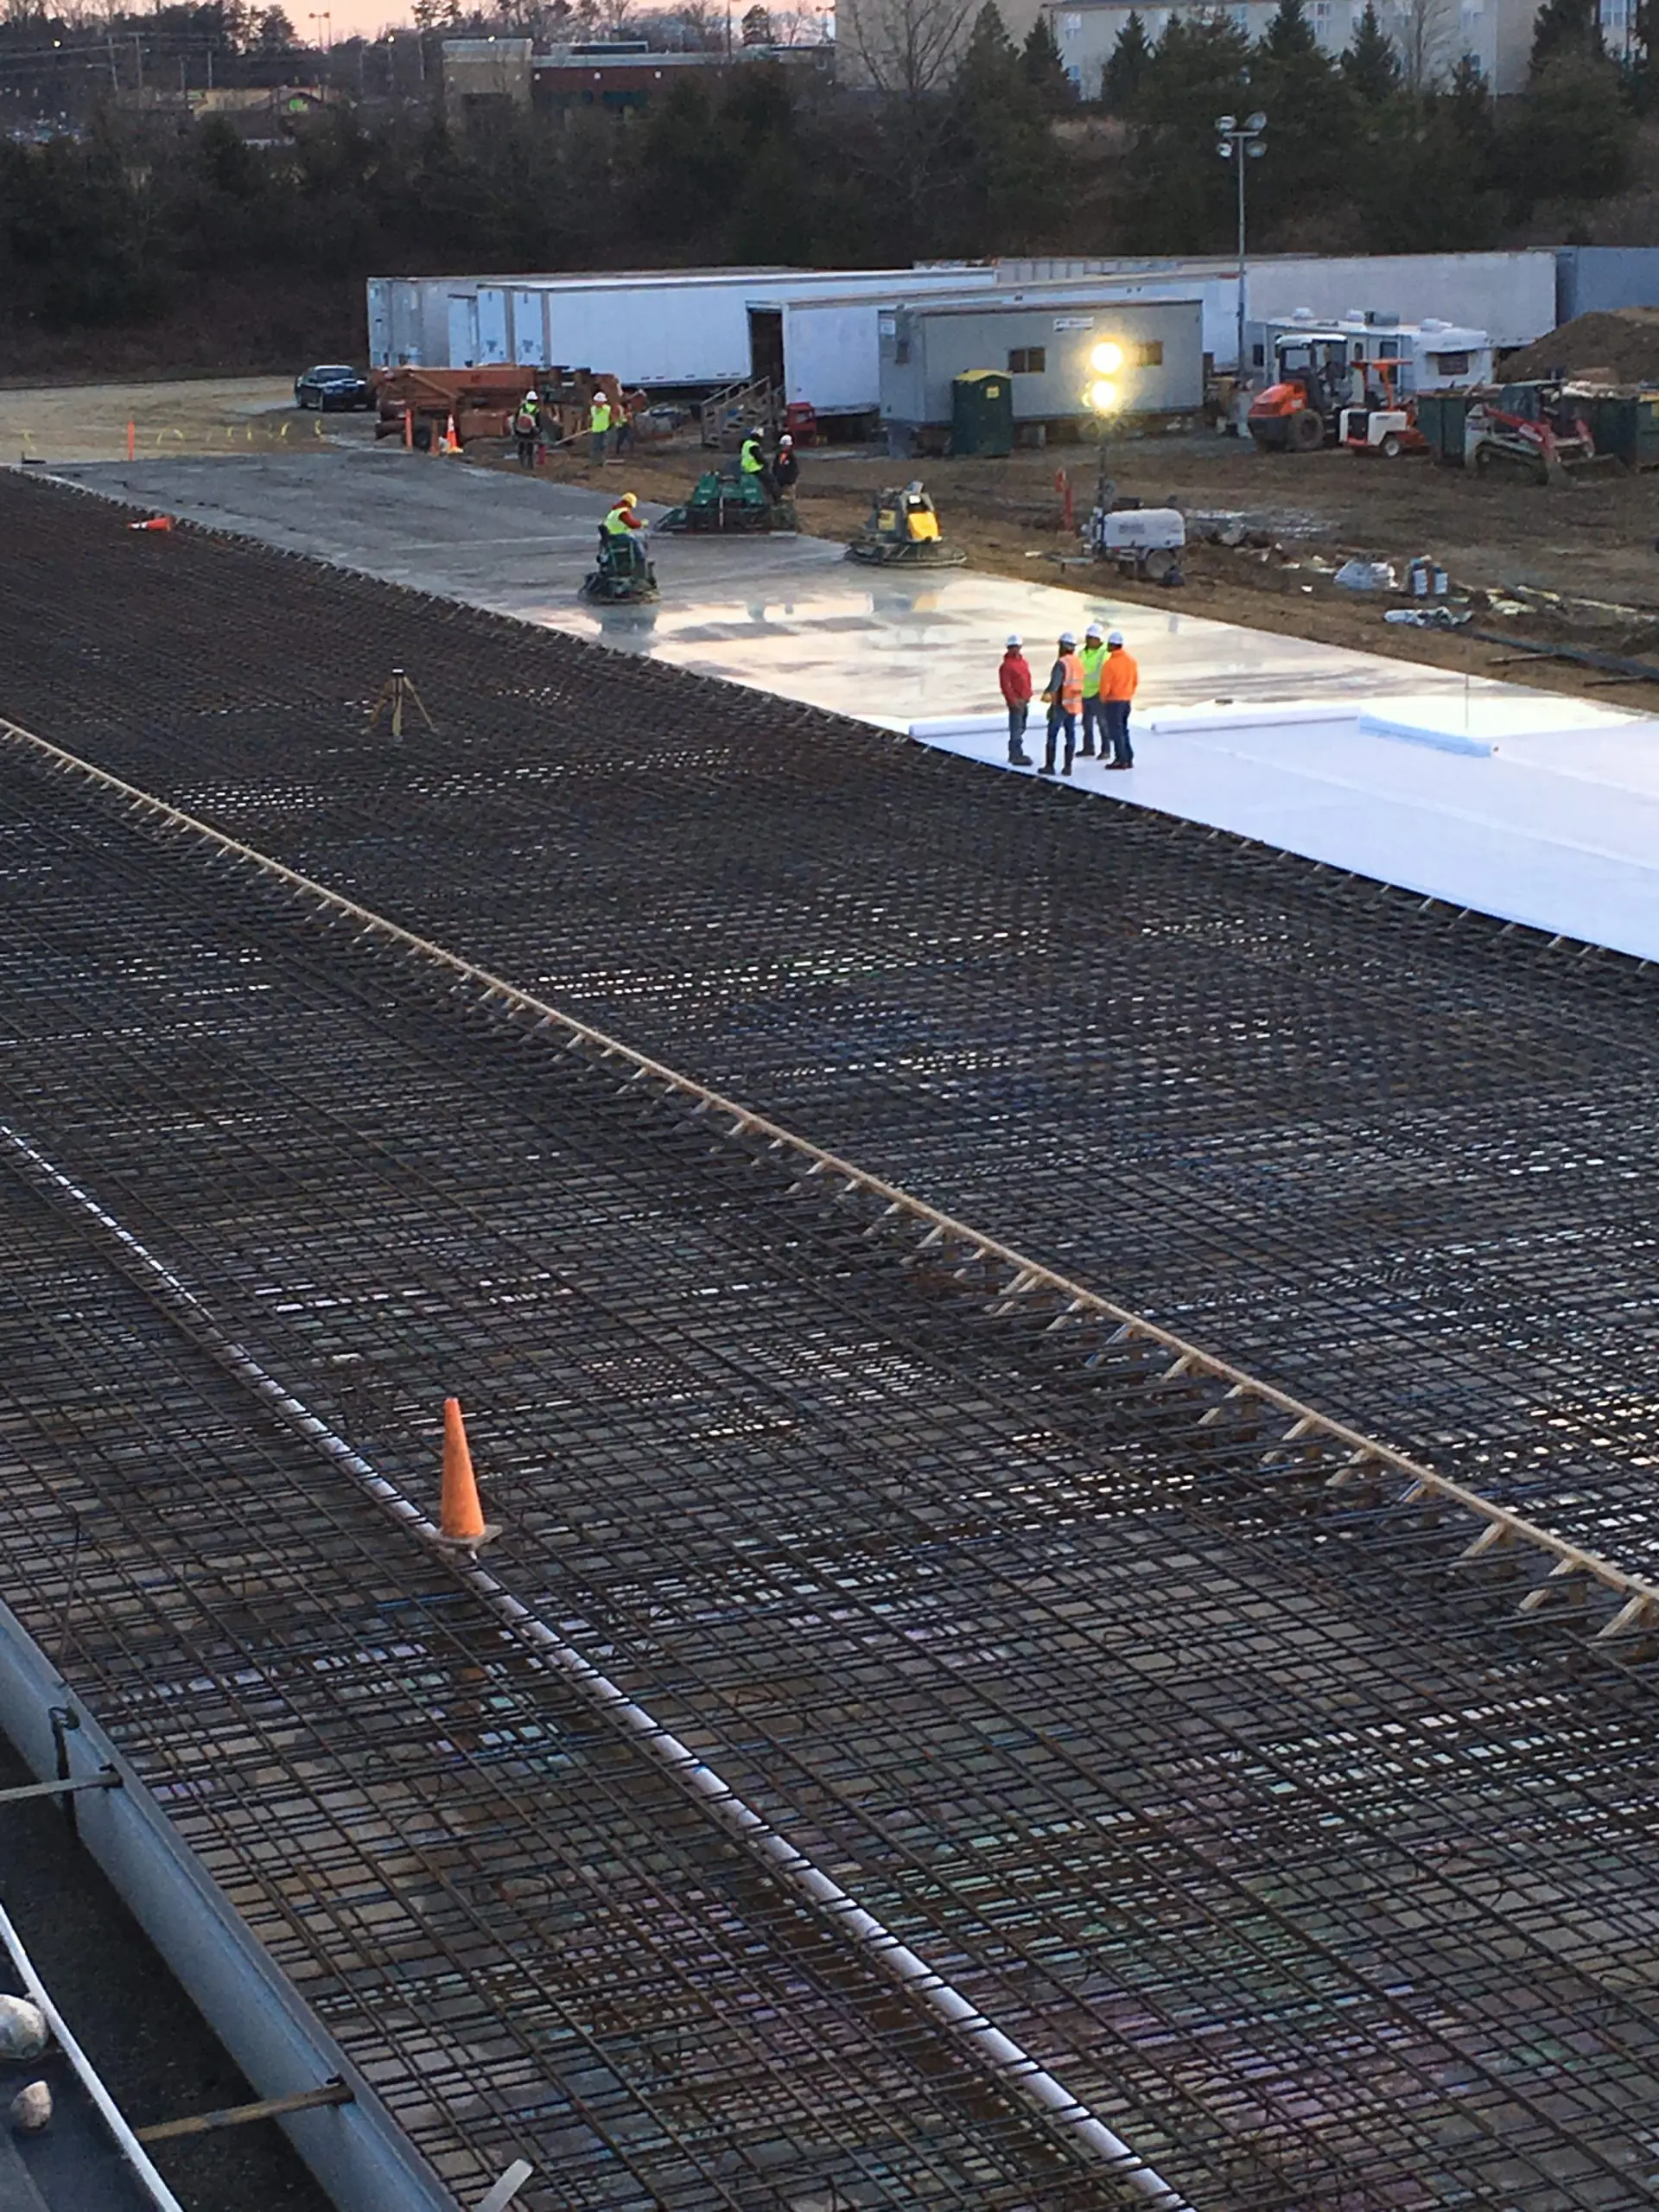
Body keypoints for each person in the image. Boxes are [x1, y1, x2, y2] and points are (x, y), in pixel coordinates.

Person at [1040, 632, 1084, 777]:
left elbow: (1055, 684)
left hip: (1060, 704)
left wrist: (1047, 693)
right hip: (1073, 704)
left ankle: (1049, 766)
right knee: (1070, 735)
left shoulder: (1062, 663)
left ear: (1063, 646)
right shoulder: (1077, 662)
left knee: (1052, 734)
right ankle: (1068, 767)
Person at [1102, 629, 1139, 768]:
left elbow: (1105, 685)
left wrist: (1103, 698)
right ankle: (1128, 757)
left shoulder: (1110, 664)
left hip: (1113, 701)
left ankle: (1120, 759)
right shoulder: (1131, 661)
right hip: (1126, 700)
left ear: (1112, 645)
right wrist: (1129, 694)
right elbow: (1135, 681)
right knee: (1123, 729)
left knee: (1116, 731)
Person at [999, 636, 1033, 766]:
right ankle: (1015, 754)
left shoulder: (1023, 663)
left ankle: (1016, 752)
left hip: (1024, 700)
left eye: (1017, 647)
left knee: (1021, 726)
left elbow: (1027, 679)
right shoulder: (1006, 666)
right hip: (1016, 702)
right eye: (1012, 647)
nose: (1015, 650)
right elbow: (1006, 686)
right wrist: (1013, 701)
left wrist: (1028, 695)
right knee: (1016, 728)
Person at [1077, 622, 1107, 757]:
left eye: (1092, 638)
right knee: (1087, 723)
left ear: (1098, 639)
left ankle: (1105, 750)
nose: (1089, 640)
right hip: (1085, 692)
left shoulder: (1104, 654)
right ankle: (1088, 748)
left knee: (1102, 723)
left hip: (1098, 693)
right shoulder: (1082, 653)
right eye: (1088, 637)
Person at [598, 490, 645, 569]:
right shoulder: (623, 512)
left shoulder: (615, 511)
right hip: (616, 536)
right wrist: (641, 524)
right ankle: (640, 559)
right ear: (629, 504)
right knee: (635, 542)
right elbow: (632, 524)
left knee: (632, 538)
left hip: (610, 535)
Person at [739, 428, 776, 503]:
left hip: (746, 468)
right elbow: (759, 457)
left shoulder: (746, 444)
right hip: (755, 469)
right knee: (771, 480)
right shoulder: (753, 446)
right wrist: (765, 463)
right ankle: (776, 499)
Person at [512, 388, 541, 470]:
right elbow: (538, 423)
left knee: (521, 444)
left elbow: (515, 418)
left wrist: (515, 429)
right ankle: (530, 464)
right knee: (530, 446)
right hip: (530, 432)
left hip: (520, 430)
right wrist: (539, 431)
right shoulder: (536, 410)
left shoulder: (521, 408)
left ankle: (521, 463)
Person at [588, 391, 613, 463]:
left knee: (604, 446)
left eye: (601, 402)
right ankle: (594, 460)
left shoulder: (607, 409)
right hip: (595, 430)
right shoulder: (593, 409)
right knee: (595, 446)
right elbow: (592, 418)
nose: (599, 403)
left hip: (605, 430)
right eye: (598, 402)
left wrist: (610, 425)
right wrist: (590, 426)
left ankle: (602, 461)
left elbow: (611, 417)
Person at [773, 433, 800, 497]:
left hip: (788, 483)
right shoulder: (778, 456)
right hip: (779, 482)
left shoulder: (791, 457)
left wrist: (791, 480)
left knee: (788, 498)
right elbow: (775, 467)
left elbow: (795, 470)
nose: (783, 447)